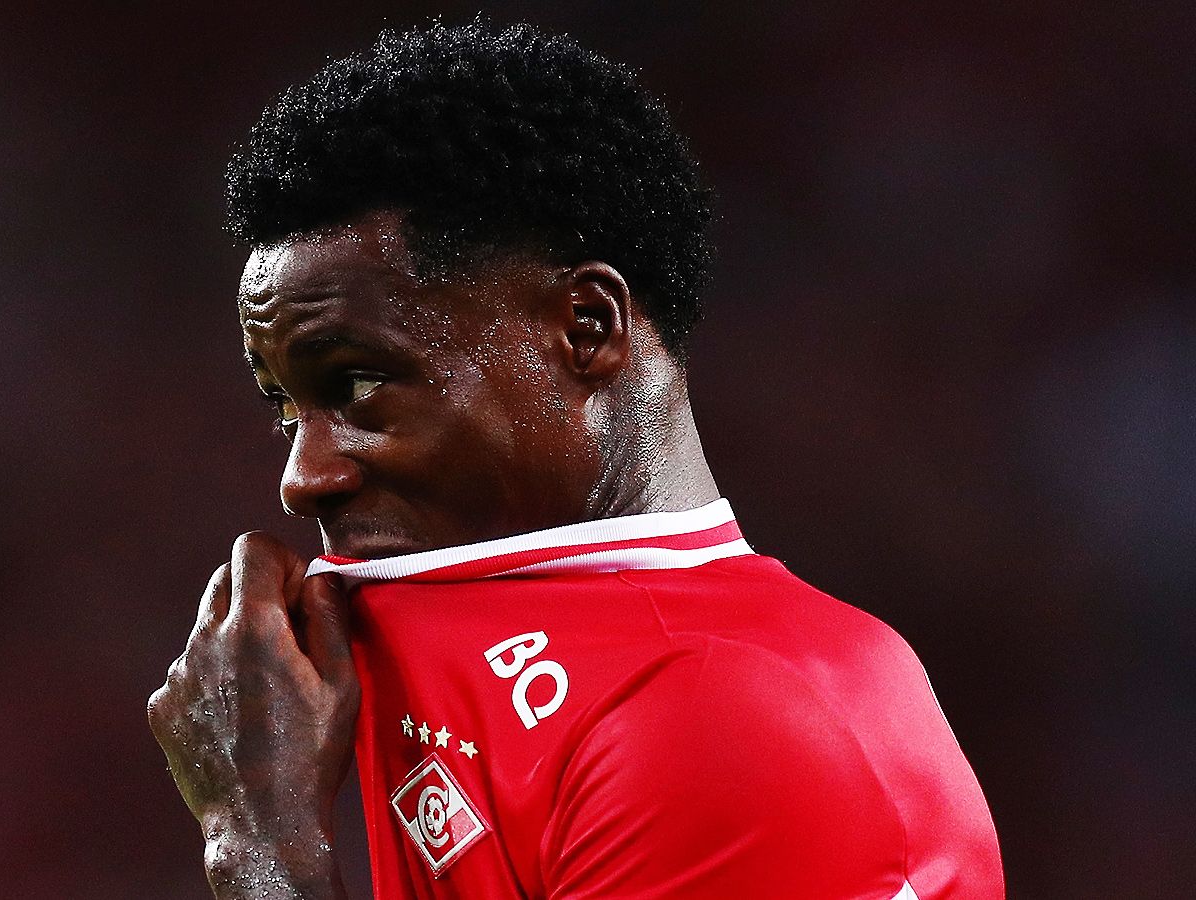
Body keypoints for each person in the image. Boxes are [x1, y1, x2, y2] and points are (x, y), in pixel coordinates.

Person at [148, 19, 1004, 900]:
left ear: (585, 328)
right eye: (284, 406)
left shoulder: (713, 711)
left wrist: (260, 851)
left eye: (359, 384)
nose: (303, 479)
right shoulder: (440, 651)